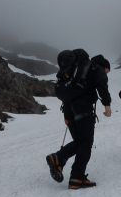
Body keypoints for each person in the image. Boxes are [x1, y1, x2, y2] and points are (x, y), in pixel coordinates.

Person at [46, 51, 112, 189]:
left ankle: (58, 160)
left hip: (68, 111)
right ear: (104, 65)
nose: (106, 74)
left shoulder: (79, 68)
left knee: (80, 142)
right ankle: (76, 176)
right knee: (86, 143)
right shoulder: (95, 67)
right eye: (107, 71)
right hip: (83, 110)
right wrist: (107, 104)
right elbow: (102, 83)